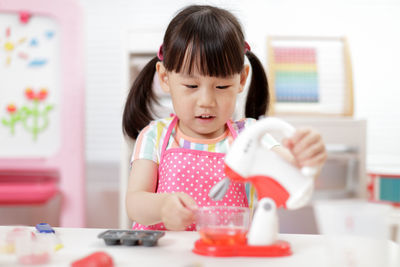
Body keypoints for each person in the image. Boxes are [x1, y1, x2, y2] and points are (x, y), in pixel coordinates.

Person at [122, 5, 327, 231]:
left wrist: (306, 156)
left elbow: (292, 171)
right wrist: (162, 207)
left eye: (221, 86)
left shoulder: (250, 137)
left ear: (241, 80)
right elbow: (135, 202)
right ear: (164, 77)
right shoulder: (155, 136)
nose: (206, 101)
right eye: (191, 85)